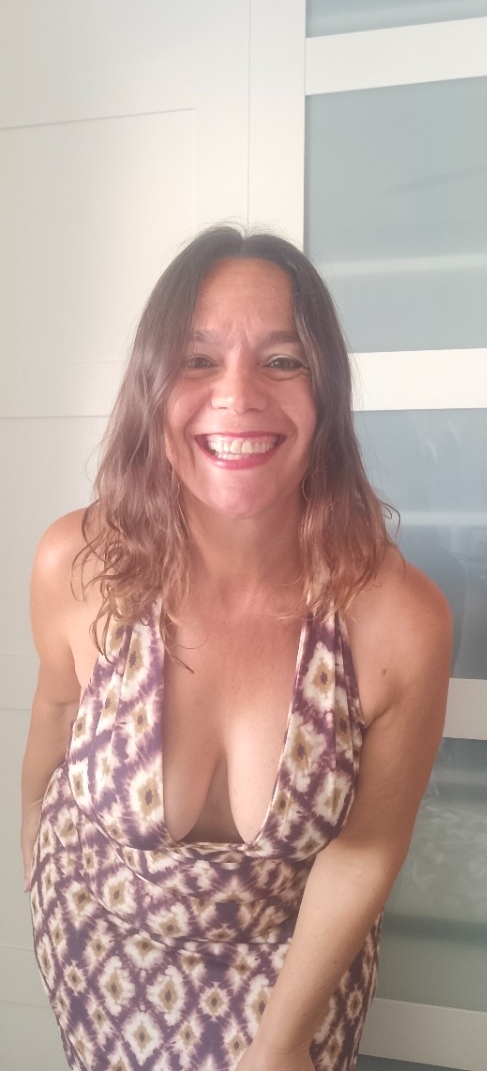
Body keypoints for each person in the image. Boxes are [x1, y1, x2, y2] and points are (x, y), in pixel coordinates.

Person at [21, 226, 452, 1071]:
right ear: (152, 385)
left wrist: (280, 1043)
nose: (237, 395)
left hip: (294, 976)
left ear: (324, 392)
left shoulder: (399, 620)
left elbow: (366, 847)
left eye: (282, 361)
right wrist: (35, 862)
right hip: (97, 955)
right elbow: (54, 717)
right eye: (197, 359)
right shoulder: (76, 563)